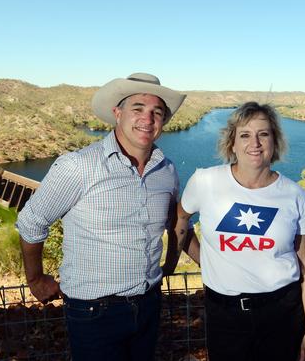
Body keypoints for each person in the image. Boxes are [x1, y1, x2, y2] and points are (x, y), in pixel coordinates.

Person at [16, 73, 186, 361]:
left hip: (149, 303)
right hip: (94, 311)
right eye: (138, 109)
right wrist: (35, 279)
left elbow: (175, 222)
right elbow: (31, 221)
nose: (148, 118)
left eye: (157, 112)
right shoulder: (78, 167)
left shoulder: (166, 170)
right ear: (117, 114)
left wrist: (174, 263)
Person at [174, 102, 305, 361]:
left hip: (282, 312)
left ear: (274, 142)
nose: (255, 142)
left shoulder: (294, 195)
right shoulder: (205, 181)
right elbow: (181, 221)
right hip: (224, 314)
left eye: (263, 134)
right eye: (245, 135)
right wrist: (204, 260)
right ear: (232, 143)